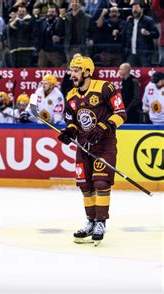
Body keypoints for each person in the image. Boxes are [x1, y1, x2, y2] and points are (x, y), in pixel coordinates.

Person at [57, 56, 127, 246]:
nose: (72, 74)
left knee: (101, 181)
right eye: (71, 70)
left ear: (87, 71)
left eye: (76, 70)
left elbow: (121, 113)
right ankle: (90, 221)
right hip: (83, 145)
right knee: (85, 185)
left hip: (104, 143)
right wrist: (70, 131)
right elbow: (71, 119)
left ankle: (101, 223)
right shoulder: (71, 95)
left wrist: (103, 128)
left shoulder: (105, 87)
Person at [122, 2, 159, 67]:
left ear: (141, 9)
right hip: (131, 54)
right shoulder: (129, 21)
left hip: (144, 54)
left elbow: (156, 34)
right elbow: (124, 37)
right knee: (130, 72)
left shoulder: (149, 20)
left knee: (144, 73)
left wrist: (148, 33)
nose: (134, 10)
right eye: (133, 9)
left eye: (136, 8)